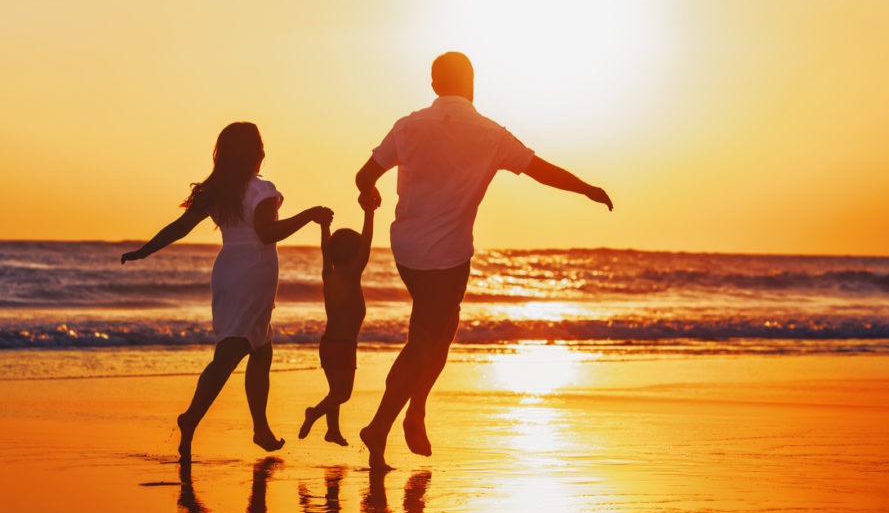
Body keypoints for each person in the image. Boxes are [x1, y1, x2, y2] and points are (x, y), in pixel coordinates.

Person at [355, 52, 613, 470]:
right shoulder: (492, 135)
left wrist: (369, 195)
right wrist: (586, 188)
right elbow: (540, 170)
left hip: (406, 250)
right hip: (448, 257)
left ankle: (413, 411)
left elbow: (364, 175)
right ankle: (383, 425)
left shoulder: (407, 126)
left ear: (435, 85)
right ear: (472, 84)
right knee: (425, 340)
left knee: (438, 332)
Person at [121, 122, 333, 461]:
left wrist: (144, 250)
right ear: (257, 154)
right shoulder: (262, 190)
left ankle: (260, 428)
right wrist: (309, 215)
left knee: (260, 348)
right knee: (232, 352)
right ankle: (192, 417)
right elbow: (266, 234)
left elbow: (180, 227)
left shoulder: (220, 190)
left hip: (229, 272)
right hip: (253, 275)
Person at [298, 191, 378, 446]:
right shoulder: (353, 274)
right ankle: (314, 413)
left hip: (327, 344)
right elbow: (366, 243)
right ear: (356, 256)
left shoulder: (327, 274)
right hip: (343, 347)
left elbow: (325, 249)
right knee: (342, 394)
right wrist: (369, 213)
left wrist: (324, 227)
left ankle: (333, 431)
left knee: (334, 392)